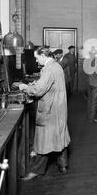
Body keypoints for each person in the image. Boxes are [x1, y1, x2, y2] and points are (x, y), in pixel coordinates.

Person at [19, 46, 71, 180]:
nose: (36, 61)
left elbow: (38, 91)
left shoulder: (49, 69)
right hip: (58, 107)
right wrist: (38, 83)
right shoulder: (56, 66)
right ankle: (63, 165)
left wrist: (25, 87)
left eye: (37, 58)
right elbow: (49, 85)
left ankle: (36, 171)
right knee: (60, 136)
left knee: (44, 141)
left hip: (50, 109)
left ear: (43, 56)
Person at [88, 52, 97, 124]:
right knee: (95, 102)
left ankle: (90, 115)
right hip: (96, 84)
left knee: (91, 100)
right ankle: (92, 118)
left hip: (91, 82)